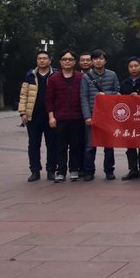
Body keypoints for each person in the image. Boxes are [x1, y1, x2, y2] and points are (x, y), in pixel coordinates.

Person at [80, 49, 120, 181]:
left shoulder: (112, 75)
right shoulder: (86, 77)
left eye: (101, 58)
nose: (98, 61)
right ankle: (89, 171)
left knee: (109, 145)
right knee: (90, 146)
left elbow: (118, 92)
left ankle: (109, 171)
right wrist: (87, 116)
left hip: (108, 115)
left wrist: (106, 94)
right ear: (92, 61)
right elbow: (83, 97)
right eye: (96, 59)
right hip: (92, 115)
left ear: (105, 61)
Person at [19, 50, 57, 181]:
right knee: (34, 144)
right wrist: (22, 112)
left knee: (52, 144)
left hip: (50, 115)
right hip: (33, 116)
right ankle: (35, 170)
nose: (42, 60)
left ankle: (51, 170)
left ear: (49, 60)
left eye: (44, 58)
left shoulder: (55, 75)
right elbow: (23, 95)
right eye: (39, 58)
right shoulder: (30, 75)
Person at [46, 49, 84, 182]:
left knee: (75, 146)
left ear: (74, 62)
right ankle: (60, 171)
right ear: (60, 62)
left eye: (70, 59)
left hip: (77, 118)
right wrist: (51, 116)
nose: (67, 61)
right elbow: (49, 99)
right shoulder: (53, 78)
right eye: (64, 59)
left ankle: (74, 169)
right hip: (60, 118)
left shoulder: (80, 77)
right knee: (60, 146)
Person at [119, 57, 140, 180]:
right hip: (129, 119)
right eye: (131, 66)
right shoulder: (124, 83)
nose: (133, 68)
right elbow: (120, 100)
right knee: (130, 146)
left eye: (136, 66)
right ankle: (133, 170)